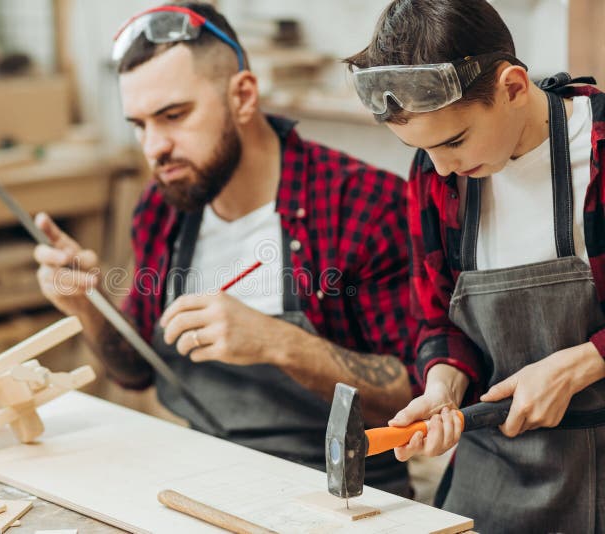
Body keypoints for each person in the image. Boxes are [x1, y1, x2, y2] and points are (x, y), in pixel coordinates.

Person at [35, 2, 416, 495]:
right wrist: (87, 306)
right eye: (140, 124)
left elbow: (415, 395)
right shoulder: (165, 207)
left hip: (345, 495)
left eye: (173, 116)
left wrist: (279, 343)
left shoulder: (364, 205)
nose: (154, 148)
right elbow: (135, 373)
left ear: (242, 96)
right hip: (205, 474)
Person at [346, 0, 605, 530]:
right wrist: (442, 387)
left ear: (512, 87)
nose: (441, 167)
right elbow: (439, 319)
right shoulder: (438, 173)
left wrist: (586, 361)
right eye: (423, 150)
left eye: (455, 141)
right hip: (495, 468)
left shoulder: (597, 150)